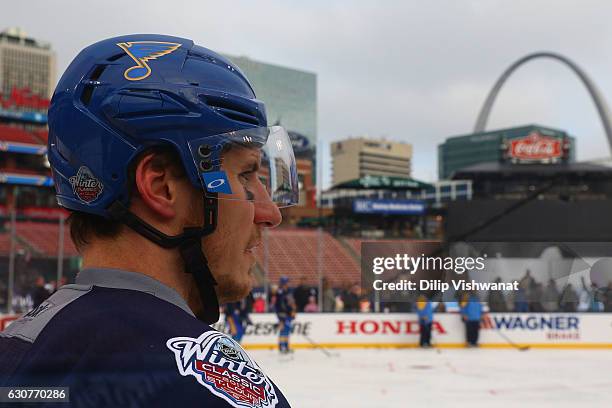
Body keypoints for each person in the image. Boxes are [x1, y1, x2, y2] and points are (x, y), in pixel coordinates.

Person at [0, 34, 298, 407]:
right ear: (161, 187)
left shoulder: (16, 351)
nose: (270, 213)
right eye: (245, 175)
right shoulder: (203, 384)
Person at [275, 276, 295, 353]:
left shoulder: (289, 291)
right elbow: (279, 305)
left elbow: (291, 302)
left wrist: (293, 311)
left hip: (289, 314)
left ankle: (286, 346)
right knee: (283, 330)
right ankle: (281, 346)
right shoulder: (280, 292)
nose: (288, 284)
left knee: (287, 330)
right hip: (282, 314)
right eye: (287, 282)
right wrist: (280, 318)